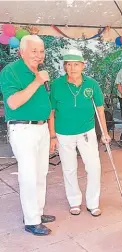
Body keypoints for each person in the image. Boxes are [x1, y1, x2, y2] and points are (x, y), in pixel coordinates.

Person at [0, 35, 55, 236]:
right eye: (34, 51)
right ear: (21, 51)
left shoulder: (39, 72)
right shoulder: (11, 71)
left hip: (41, 129)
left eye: (41, 51)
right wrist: (37, 82)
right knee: (29, 175)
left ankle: (36, 213)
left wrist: (51, 133)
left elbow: (47, 105)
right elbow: (13, 103)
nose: (39, 55)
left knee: (41, 173)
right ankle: (31, 221)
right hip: (23, 130)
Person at [49, 49, 111, 217]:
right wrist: (52, 135)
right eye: (68, 64)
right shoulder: (56, 85)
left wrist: (105, 133)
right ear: (64, 67)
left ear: (83, 66)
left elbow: (99, 109)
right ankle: (74, 201)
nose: (72, 68)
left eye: (76, 64)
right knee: (69, 168)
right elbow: (51, 112)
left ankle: (93, 202)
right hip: (63, 133)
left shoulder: (91, 84)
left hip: (86, 130)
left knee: (94, 166)